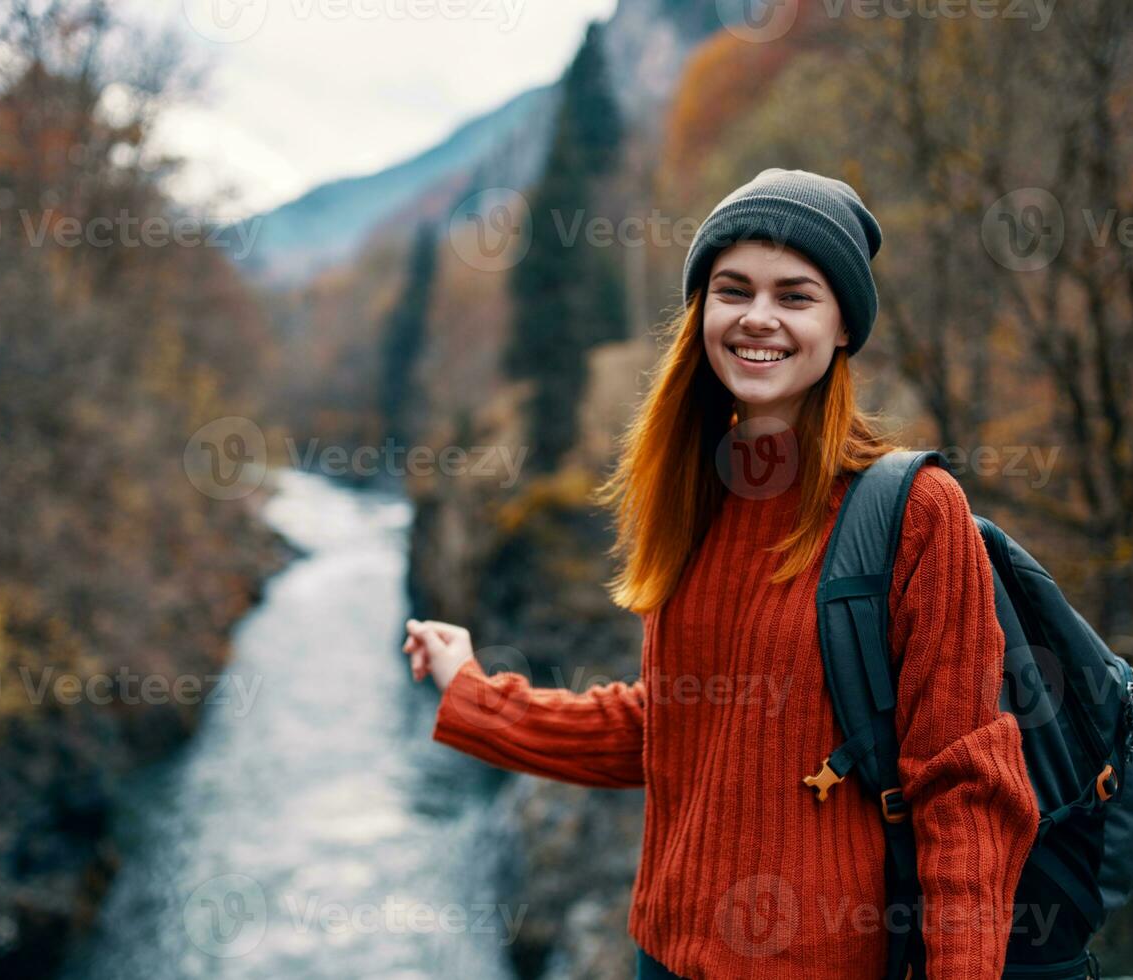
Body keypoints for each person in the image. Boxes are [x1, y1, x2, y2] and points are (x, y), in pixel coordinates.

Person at [403, 169, 1039, 979]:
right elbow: (669, 725)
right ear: (702, 310)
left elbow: (965, 789)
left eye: (796, 295)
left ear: (844, 325)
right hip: (662, 959)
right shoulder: (697, 489)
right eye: (733, 289)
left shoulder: (916, 512)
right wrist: (474, 695)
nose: (758, 318)